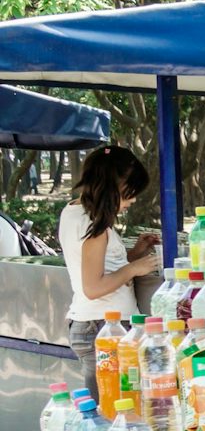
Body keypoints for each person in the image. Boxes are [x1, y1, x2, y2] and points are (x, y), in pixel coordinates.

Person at [61, 146, 160, 398]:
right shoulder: (94, 226)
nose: (133, 200)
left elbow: (100, 267)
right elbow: (93, 287)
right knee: (112, 414)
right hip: (102, 327)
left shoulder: (75, 213)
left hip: (98, 324)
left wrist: (134, 254)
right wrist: (134, 268)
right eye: (129, 193)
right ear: (111, 186)